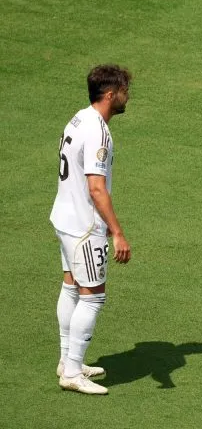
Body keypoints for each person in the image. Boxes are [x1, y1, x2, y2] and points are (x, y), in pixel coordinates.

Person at [50, 64, 134, 394]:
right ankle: (71, 372)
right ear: (111, 95)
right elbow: (96, 187)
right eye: (125, 91)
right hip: (85, 226)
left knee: (71, 286)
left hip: (63, 217)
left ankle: (66, 360)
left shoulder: (79, 118)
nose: (128, 97)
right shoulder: (98, 131)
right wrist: (117, 232)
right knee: (93, 297)